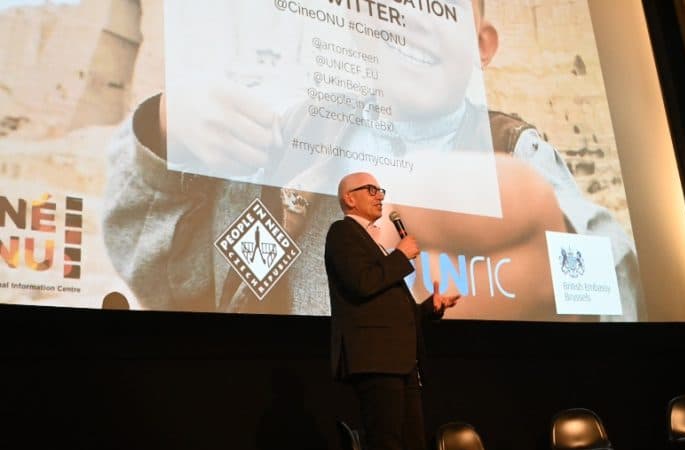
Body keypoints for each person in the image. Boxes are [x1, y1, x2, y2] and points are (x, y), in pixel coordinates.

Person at [103, 0, 642, 320]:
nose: (410, 16)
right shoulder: (298, 140)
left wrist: (558, 270)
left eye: (438, 4)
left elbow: (619, 271)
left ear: (482, 46)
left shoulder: (513, 150)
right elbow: (177, 280)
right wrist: (163, 131)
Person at [325, 171, 460, 450]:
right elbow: (361, 283)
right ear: (350, 198)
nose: (380, 196)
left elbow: (388, 306)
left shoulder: (374, 242)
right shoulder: (342, 232)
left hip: (401, 361)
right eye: (371, 190)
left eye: (380, 190)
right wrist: (400, 255)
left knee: (414, 449)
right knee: (386, 448)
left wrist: (429, 308)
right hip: (376, 359)